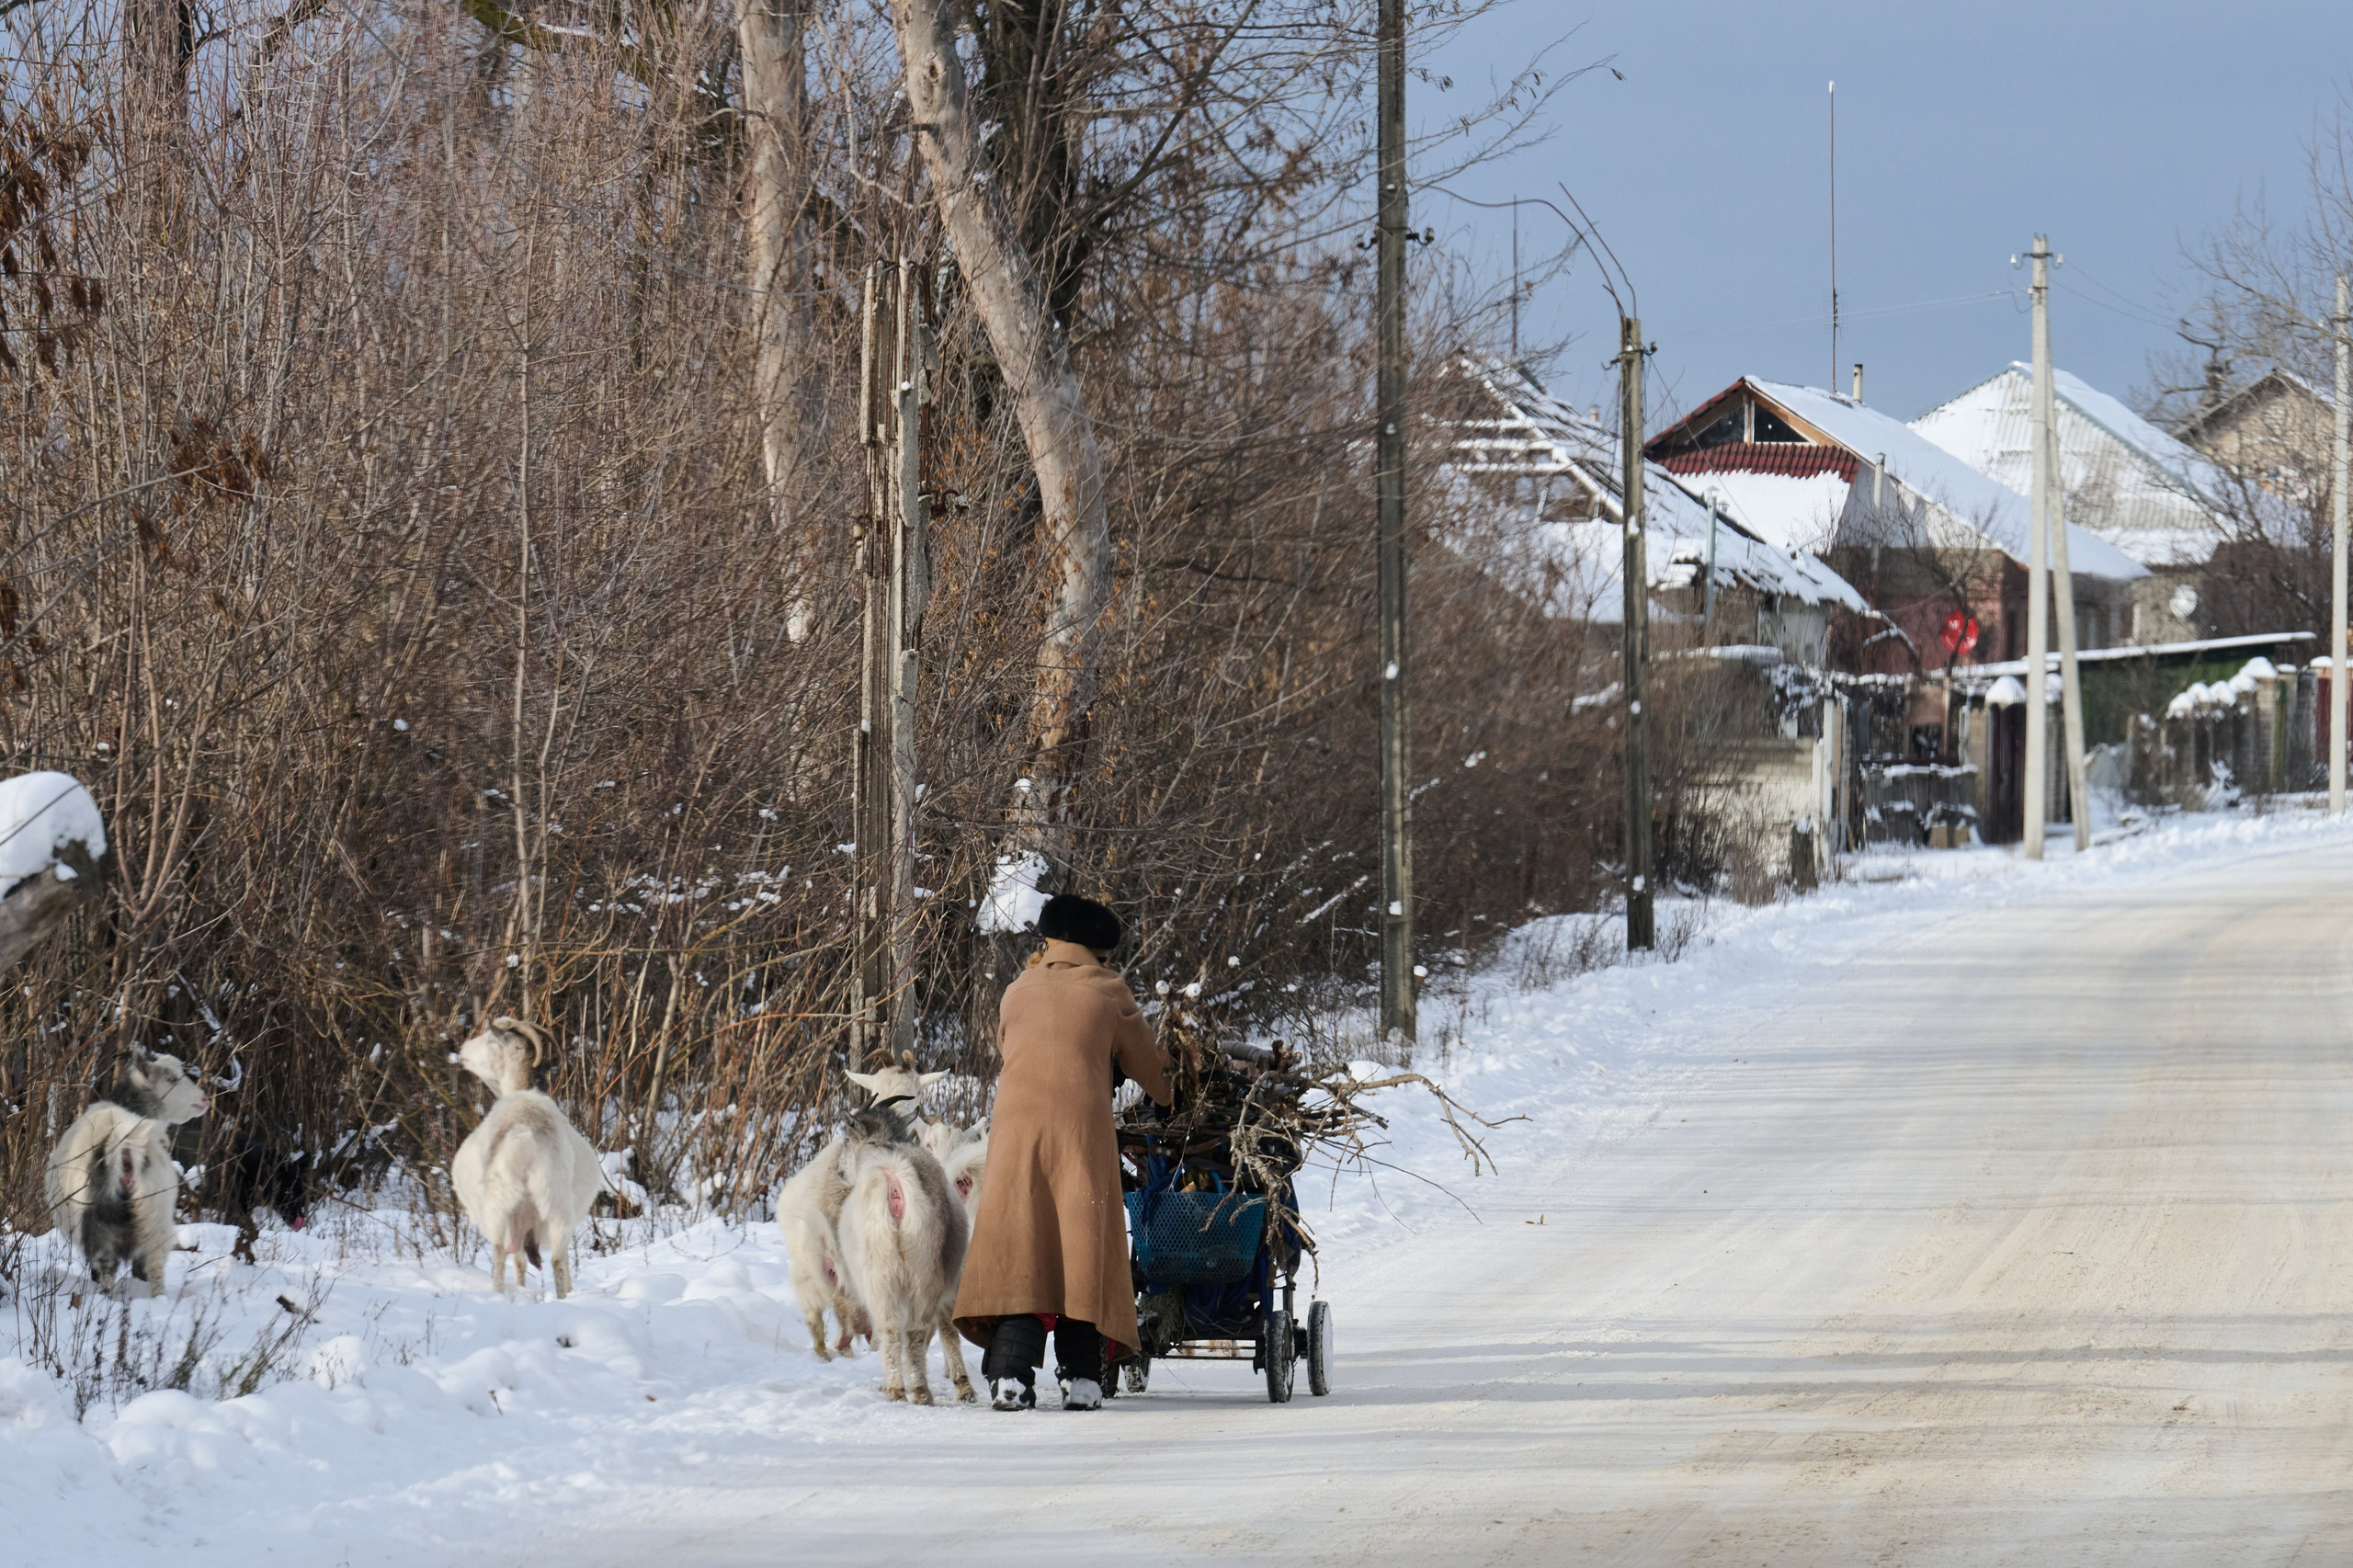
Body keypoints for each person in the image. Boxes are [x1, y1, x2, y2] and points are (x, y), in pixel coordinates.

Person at [954, 892, 1171, 1410]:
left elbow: (1018, 1051)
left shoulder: (1016, 991)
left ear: (1048, 942)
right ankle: (1083, 1379)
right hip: (1080, 1139)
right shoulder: (1108, 991)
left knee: (1024, 1248)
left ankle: (1009, 1375)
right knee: (1080, 1250)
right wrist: (1171, 1088)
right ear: (1098, 950)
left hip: (1016, 1139)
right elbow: (1157, 1076)